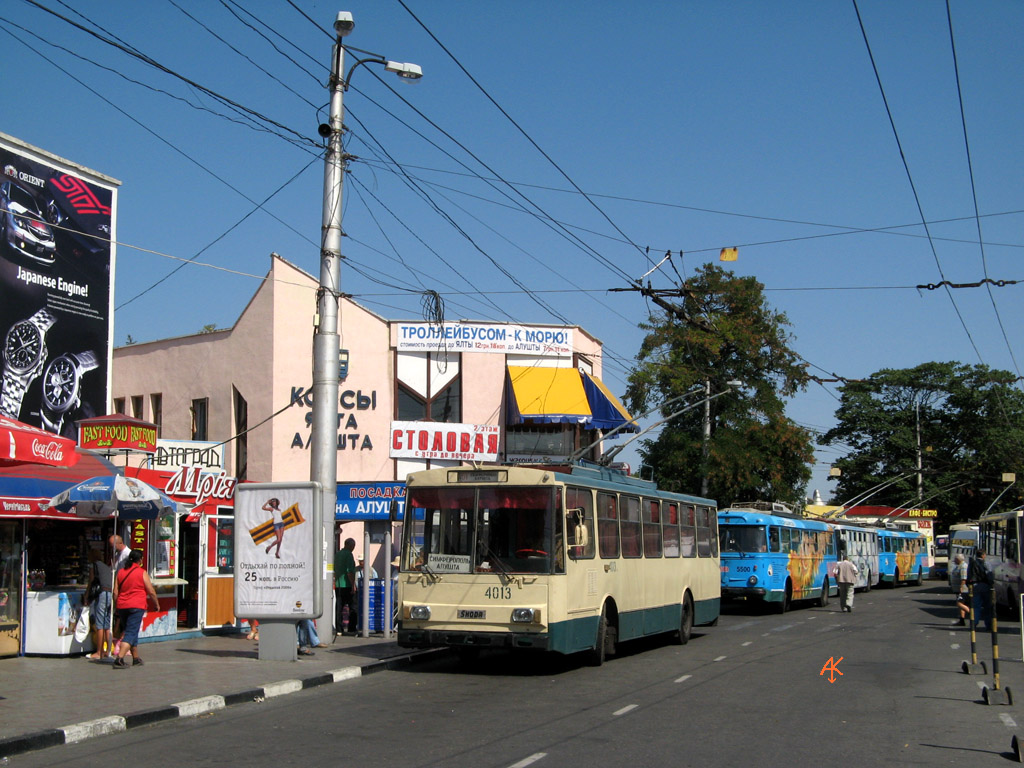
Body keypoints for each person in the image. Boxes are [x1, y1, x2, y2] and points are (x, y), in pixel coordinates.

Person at [111, 549, 159, 669]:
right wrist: (156, 604)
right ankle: (119, 658)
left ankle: (136, 658)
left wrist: (117, 605)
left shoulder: (120, 572)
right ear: (140, 560)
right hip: (136, 606)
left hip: (122, 606)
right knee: (131, 632)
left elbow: (115, 592)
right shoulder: (142, 572)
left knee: (131, 630)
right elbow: (151, 591)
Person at [86, 548, 113, 660]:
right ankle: (108, 650)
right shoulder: (106, 567)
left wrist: (87, 595)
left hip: (102, 594)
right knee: (107, 623)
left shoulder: (94, 565)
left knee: (100, 623)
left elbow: (91, 581)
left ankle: (99, 652)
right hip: (109, 594)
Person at [968, 547, 995, 631]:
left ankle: (974, 624)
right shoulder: (986, 563)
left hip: (975, 585)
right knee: (987, 606)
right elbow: (989, 575)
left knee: (976, 606)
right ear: (983, 555)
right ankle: (988, 625)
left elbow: (969, 575)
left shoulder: (972, 563)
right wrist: (991, 584)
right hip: (985, 585)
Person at [334, 537, 357, 634]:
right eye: (353, 546)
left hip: (338, 585)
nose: (353, 548)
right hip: (347, 584)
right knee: (353, 607)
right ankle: (352, 628)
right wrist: (353, 585)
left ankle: (339, 629)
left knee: (339, 607)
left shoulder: (337, 554)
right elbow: (349, 572)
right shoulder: (349, 555)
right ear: (350, 545)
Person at [952, 553, 970, 626]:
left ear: (958, 559)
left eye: (955, 559)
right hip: (959, 589)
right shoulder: (959, 566)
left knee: (959, 603)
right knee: (961, 604)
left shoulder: (963, 566)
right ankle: (962, 620)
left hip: (963, 589)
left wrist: (961, 587)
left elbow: (963, 578)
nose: (954, 560)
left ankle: (972, 613)